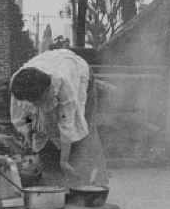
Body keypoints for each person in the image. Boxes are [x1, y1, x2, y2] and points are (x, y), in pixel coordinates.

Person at [9, 48, 108, 187]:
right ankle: (53, 183)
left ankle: (87, 185)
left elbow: (68, 126)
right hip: (51, 64)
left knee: (83, 137)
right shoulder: (18, 85)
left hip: (78, 72)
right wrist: (28, 132)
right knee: (44, 133)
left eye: (40, 100)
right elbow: (22, 117)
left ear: (47, 90)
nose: (37, 104)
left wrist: (64, 162)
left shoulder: (64, 86)